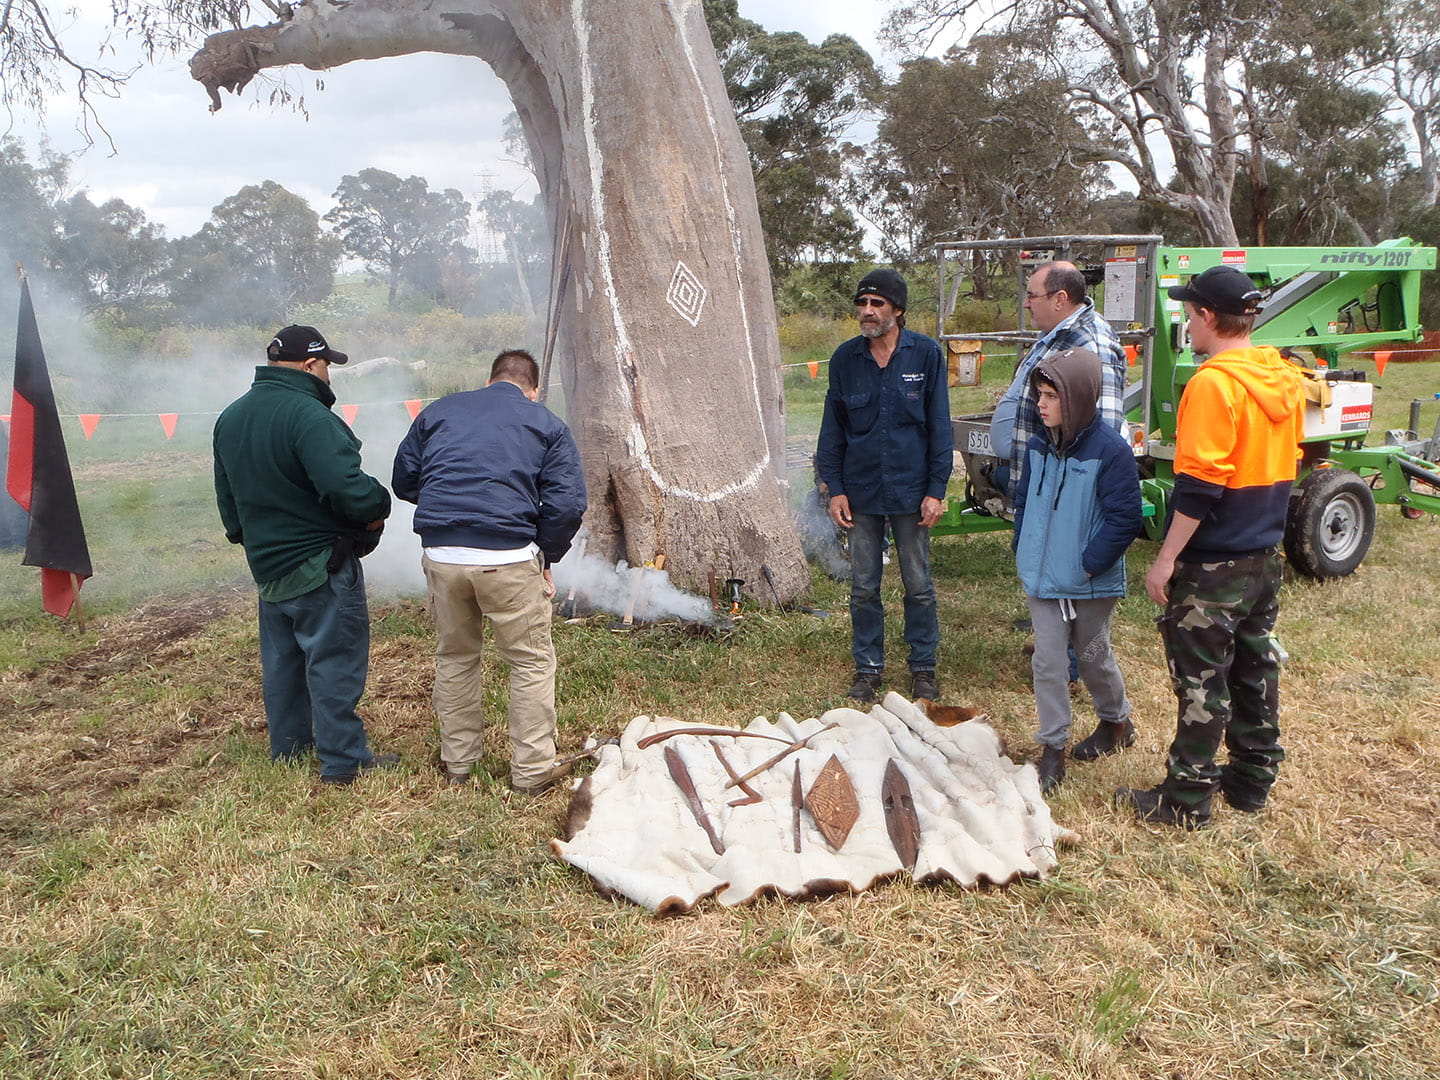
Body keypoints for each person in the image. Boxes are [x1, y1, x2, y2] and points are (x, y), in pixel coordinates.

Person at [1115, 265, 1305, 828]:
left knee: (1201, 680)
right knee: (1255, 668)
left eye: (1188, 311)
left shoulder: (1212, 385)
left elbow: (1200, 486)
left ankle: (1186, 798)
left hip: (1214, 561)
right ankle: (1250, 781)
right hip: (1262, 556)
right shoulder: (1280, 377)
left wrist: (1167, 557)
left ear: (1204, 316)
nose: (1185, 322)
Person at [391, 349, 587, 794]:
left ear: (489, 381)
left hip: (442, 557)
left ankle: (459, 764)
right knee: (530, 662)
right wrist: (546, 557)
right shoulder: (547, 424)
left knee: (456, 657)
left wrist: (451, 511)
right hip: (510, 557)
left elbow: (404, 479)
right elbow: (567, 505)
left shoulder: (438, 411)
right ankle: (533, 771)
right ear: (534, 390)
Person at [213, 325, 396, 786]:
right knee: (333, 662)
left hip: (268, 568)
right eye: (327, 366)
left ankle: (290, 751)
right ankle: (343, 761)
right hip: (321, 565)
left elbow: (228, 503)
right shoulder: (309, 415)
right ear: (312, 365)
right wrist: (379, 504)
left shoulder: (231, 417)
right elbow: (345, 488)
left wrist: (252, 539)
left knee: (284, 665)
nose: (329, 376)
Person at [816, 268, 953, 704]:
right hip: (861, 493)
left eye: (877, 304)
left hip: (912, 492)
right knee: (863, 586)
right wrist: (834, 487)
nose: (867, 312)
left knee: (918, 583)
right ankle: (868, 668)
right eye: (862, 304)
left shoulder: (926, 356)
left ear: (898, 310)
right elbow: (832, 431)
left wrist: (936, 489)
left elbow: (940, 427)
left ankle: (923, 669)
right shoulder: (844, 360)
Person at [1012, 347, 1142, 793]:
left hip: (1089, 582)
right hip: (1044, 582)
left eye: (1052, 396)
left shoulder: (1112, 453)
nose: (1042, 404)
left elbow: (1126, 520)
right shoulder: (1037, 448)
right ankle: (1053, 749)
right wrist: (1023, 550)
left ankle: (1116, 723)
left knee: (1092, 658)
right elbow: (1024, 503)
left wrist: (1089, 565)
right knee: (1048, 661)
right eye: (1040, 395)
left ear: (1080, 397)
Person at [990, 260, 1128, 507]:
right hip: (1044, 488)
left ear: (1059, 299)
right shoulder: (1054, 334)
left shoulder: (1091, 344)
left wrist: (1073, 501)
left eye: (1032, 296)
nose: (1025, 303)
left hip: (1065, 498)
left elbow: (1104, 428)